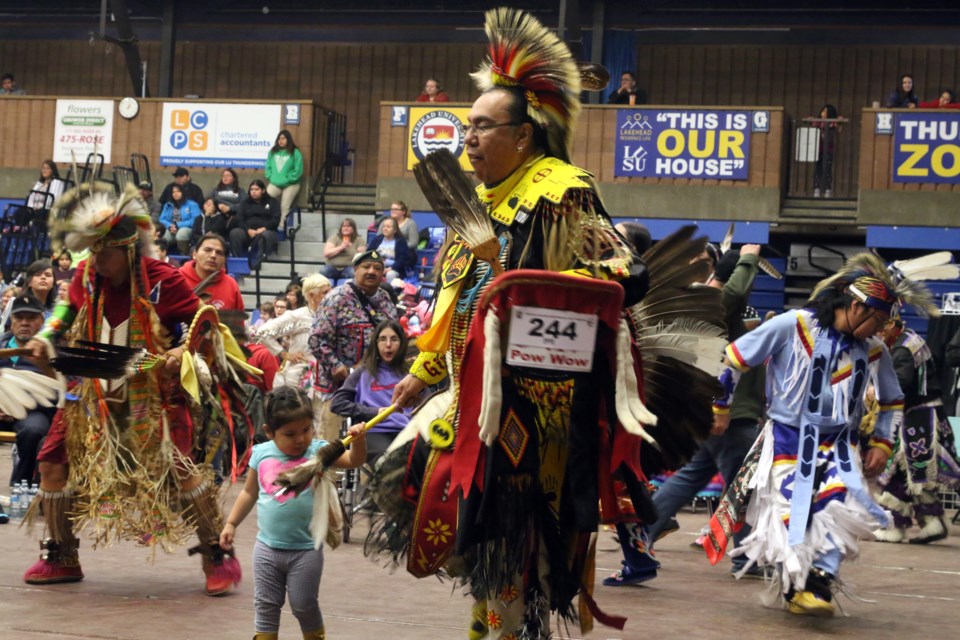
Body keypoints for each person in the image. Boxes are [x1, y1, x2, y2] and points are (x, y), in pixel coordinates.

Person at [370, 9, 719, 638]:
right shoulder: (477, 201)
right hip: (469, 390)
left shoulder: (562, 189)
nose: (467, 140)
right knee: (465, 524)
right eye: (466, 127)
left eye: (481, 127)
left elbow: (623, 274)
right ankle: (493, 624)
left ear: (525, 135)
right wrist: (422, 372)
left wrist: (522, 280)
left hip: (537, 405)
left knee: (516, 536)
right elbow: (455, 296)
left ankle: (511, 628)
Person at [21, 183, 255, 595]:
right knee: (52, 463)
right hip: (92, 393)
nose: (96, 259)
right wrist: (46, 336)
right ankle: (60, 555)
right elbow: (64, 311)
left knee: (182, 470)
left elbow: (206, 326)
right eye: (92, 250)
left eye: (104, 251)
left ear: (128, 249)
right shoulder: (87, 276)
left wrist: (179, 353)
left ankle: (216, 556)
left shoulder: (163, 281)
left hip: (153, 396)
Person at [705, 253, 912, 617]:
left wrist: (882, 441)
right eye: (877, 320)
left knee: (843, 507)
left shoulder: (874, 350)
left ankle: (818, 582)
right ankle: (797, 585)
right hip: (788, 437)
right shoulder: (792, 325)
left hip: (841, 443)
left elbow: (893, 398)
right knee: (791, 513)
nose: (880, 329)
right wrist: (721, 407)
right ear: (854, 307)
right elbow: (735, 358)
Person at [606, 245, 767, 586]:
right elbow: (733, 292)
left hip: (711, 408)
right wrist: (748, 259)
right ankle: (747, 557)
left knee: (688, 478)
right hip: (728, 411)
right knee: (743, 487)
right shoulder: (711, 302)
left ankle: (641, 540)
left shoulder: (697, 301)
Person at [220, 386, 367, 640]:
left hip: (306, 551)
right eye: (290, 434)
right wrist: (231, 523)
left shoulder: (319, 451)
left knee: (303, 605)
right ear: (269, 431)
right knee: (266, 605)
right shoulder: (261, 454)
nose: (301, 439)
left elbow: (354, 461)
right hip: (266, 549)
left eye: (306, 430)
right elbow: (249, 493)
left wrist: (359, 440)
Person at [873, 317, 960, 544]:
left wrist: (875, 390)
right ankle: (931, 522)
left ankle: (897, 525)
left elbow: (902, 383)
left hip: (920, 418)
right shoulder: (908, 340)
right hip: (923, 414)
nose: (878, 331)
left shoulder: (903, 348)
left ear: (892, 323)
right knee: (910, 474)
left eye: (882, 326)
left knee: (910, 472)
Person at [309, 250, 398, 443]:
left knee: (367, 455)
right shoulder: (336, 298)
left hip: (376, 391)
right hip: (339, 391)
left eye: (377, 268)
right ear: (355, 270)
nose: (371, 272)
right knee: (336, 452)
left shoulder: (385, 300)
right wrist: (337, 367)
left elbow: (395, 336)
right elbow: (317, 339)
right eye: (366, 267)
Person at [331, 319, 412, 465]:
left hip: (408, 430)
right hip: (374, 431)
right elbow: (337, 404)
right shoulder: (362, 373)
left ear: (401, 343)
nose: (388, 344)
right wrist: (374, 412)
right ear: (376, 343)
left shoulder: (412, 373)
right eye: (382, 339)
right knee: (390, 462)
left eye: (394, 339)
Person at [0, 294, 58, 484]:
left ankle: (20, 488)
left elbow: (59, 393)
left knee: (34, 430)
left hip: (32, 411)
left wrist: (21, 405)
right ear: (11, 321)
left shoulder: (51, 353)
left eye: (31, 318)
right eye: (19, 318)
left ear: (42, 321)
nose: (24, 323)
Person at [253, 273, 331, 391]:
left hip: (324, 378)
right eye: (325, 293)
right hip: (300, 377)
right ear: (311, 295)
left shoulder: (331, 315)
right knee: (301, 407)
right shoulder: (297, 316)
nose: (330, 296)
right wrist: (284, 354)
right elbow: (263, 332)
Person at [179, 233, 244, 311]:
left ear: (224, 260)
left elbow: (238, 321)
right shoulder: (176, 280)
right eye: (207, 250)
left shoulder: (231, 285)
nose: (213, 255)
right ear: (194, 254)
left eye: (219, 253)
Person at [229, 179, 280, 262]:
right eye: (252, 189)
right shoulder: (244, 203)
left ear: (263, 190)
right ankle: (237, 261)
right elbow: (239, 219)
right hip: (248, 232)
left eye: (256, 189)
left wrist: (264, 228)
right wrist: (248, 230)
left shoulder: (273, 202)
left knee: (264, 235)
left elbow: (276, 219)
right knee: (235, 233)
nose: (253, 192)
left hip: (267, 231)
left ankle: (260, 262)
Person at [264, 130, 304, 228]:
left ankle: (282, 227)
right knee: (265, 200)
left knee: (284, 206)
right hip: (275, 183)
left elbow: (298, 170)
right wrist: (270, 177)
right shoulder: (272, 152)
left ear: (288, 139)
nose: (280, 141)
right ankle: (266, 224)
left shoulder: (295, 152)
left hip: (291, 184)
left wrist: (289, 179)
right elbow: (268, 166)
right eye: (279, 138)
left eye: (283, 138)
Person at [1, 259, 56, 329]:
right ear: (29, 282)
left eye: (48, 275)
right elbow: (7, 334)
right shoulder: (18, 304)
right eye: (38, 275)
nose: (43, 277)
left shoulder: (56, 310)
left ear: (53, 283)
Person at [159, 184, 202, 254]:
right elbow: (162, 219)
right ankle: (164, 256)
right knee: (165, 237)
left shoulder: (192, 204)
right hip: (172, 228)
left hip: (188, 228)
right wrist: (169, 226)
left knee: (181, 234)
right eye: (173, 192)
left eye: (178, 191)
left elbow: (196, 220)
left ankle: (184, 255)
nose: (175, 194)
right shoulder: (168, 205)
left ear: (183, 192)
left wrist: (178, 225)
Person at [368, 217, 412, 281]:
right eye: (384, 227)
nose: (385, 229)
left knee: (390, 274)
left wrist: (391, 268)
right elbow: (370, 252)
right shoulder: (377, 239)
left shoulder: (400, 241)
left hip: (394, 268)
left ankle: (390, 290)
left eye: (388, 227)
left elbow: (403, 259)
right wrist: (377, 260)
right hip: (376, 266)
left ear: (395, 230)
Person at [812, 104, 842, 198]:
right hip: (818, 149)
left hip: (828, 149)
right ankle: (816, 188)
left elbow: (840, 129)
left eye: (825, 112)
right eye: (822, 111)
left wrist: (839, 122)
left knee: (828, 169)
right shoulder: (819, 123)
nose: (823, 113)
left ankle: (828, 189)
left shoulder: (832, 123)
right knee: (818, 168)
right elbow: (812, 124)